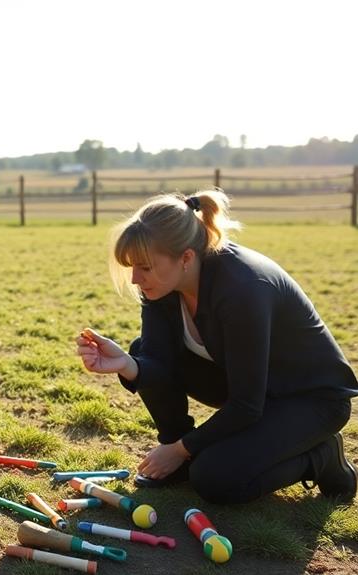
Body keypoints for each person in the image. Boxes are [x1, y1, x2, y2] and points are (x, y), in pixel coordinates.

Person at [76, 190, 357, 504]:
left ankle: (321, 456)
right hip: (251, 388)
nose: (134, 278)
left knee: (215, 479)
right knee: (141, 350)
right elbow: (157, 359)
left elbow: (246, 405)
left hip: (310, 400)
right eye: (131, 267)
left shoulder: (242, 288)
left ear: (185, 258)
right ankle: (178, 463)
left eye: (144, 267)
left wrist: (182, 448)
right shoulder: (162, 287)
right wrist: (127, 365)